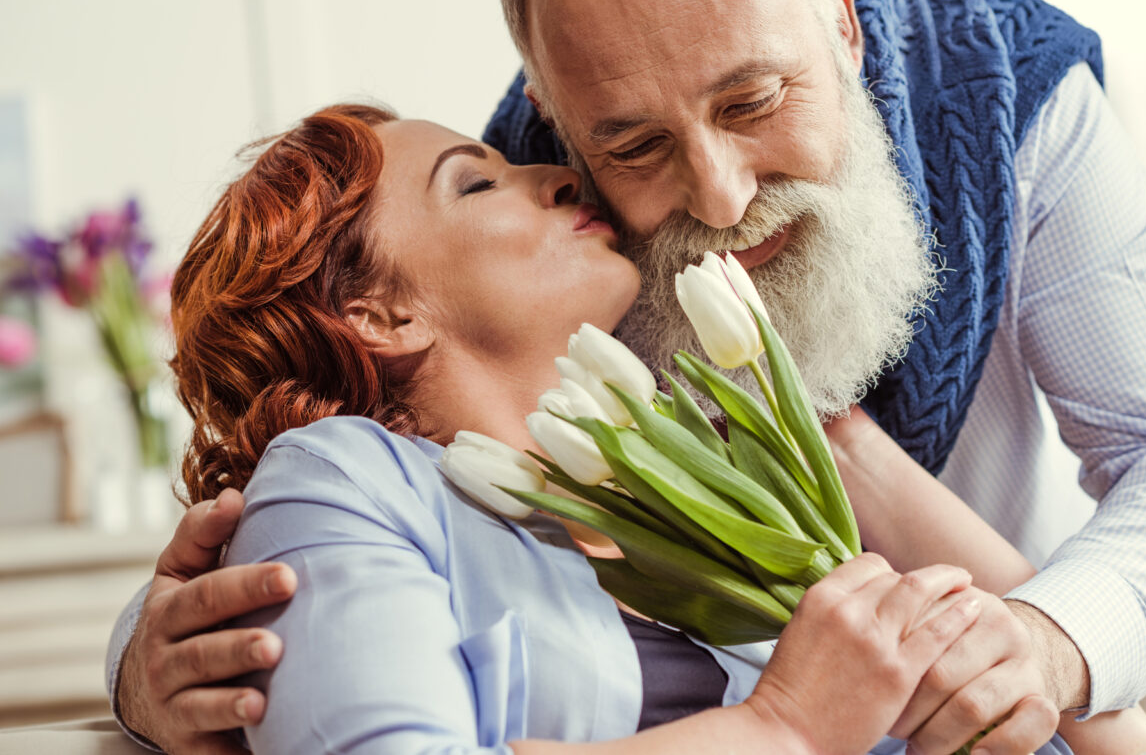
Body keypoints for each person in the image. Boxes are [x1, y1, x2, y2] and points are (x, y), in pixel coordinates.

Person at [108, 0, 1146, 751]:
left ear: (840, 22)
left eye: (753, 100)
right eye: (630, 148)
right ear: (562, 126)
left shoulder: (1018, 96)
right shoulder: (558, 210)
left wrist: (1048, 641)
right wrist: (144, 664)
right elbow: (364, 448)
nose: (715, 202)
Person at [124, 101, 1083, 755]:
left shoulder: (687, 478)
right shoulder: (344, 479)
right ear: (378, 314)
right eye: (476, 183)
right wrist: (782, 728)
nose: (557, 175)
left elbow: (1082, 709)